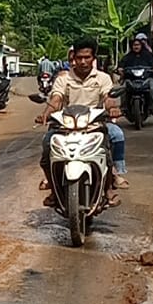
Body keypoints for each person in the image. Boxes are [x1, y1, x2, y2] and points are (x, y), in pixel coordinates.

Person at [38, 38, 128, 203]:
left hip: (94, 123)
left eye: (87, 57)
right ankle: (53, 189)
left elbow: (108, 97)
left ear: (93, 59)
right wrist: (47, 112)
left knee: (116, 135)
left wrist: (112, 108)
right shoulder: (63, 79)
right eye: (79, 57)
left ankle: (110, 182)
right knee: (47, 144)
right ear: (74, 58)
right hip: (67, 124)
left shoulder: (102, 78)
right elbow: (56, 98)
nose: (83, 61)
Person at [118, 34, 153, 114]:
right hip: (131, 79)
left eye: (138, 45)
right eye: (134, 45)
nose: (136, 47)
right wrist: (120, 69)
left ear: (141, 45)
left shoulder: (147, 55)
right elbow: (121, 64)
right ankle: (124, 107)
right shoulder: (127, 57)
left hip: (146, 78)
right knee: (123, 88)